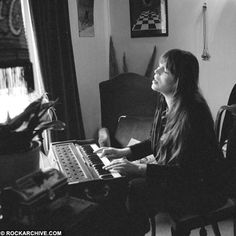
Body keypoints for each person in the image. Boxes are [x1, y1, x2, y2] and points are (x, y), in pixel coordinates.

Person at [95, 49, 226, 235]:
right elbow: (156, 142)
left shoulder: (194, 114)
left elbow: (188, 172)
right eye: (158, 67)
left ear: (179, 80)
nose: (155, 73)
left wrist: (139, 169)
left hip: (202, 190)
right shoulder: (165, 102)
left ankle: (134, 229)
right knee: (122, 184)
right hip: (179, 178)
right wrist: (124, 152)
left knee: (135, 187)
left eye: (164, 70)